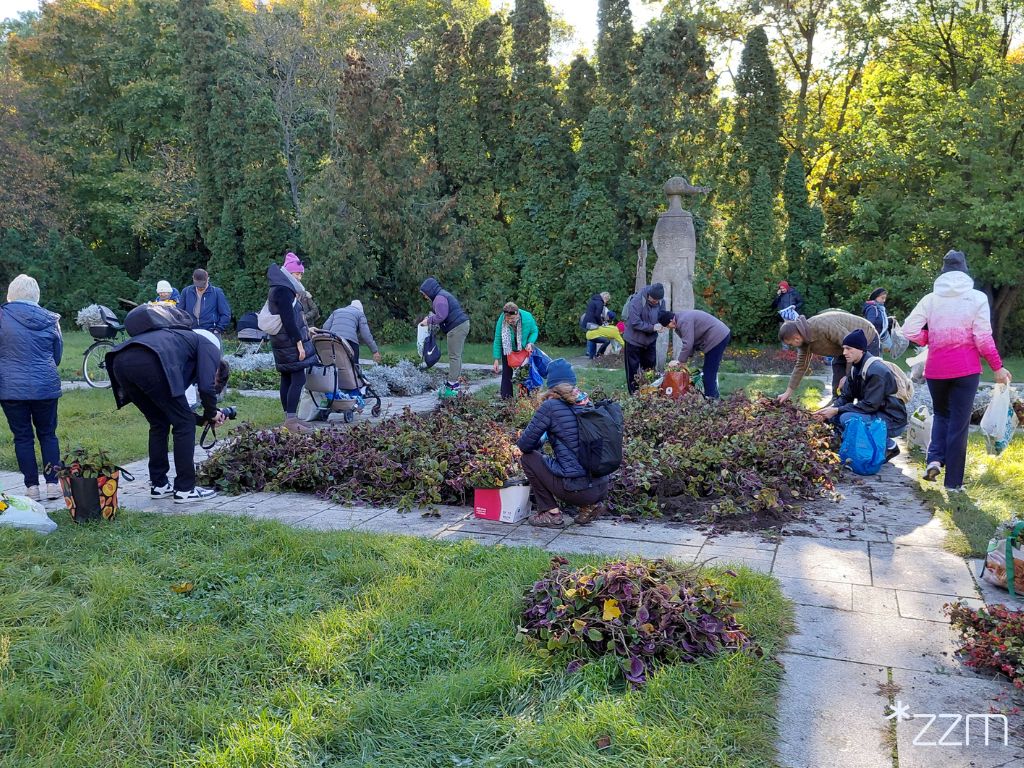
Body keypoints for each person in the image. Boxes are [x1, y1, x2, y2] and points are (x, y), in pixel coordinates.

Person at [902, 250, 1012, 492]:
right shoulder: (977, 298)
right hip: (966, 369)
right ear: (964, 270)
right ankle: (953, 484)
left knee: (942, 415)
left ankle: (933, 459)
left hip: (936, 369)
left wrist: (930, 338)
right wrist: (997, 367)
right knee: (959, 423)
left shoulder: (930, 300)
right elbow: (982, 338)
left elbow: (908, 330)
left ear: (943, 272)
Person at [106, 305, 225, 503]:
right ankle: (185, 489)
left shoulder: (179, 342)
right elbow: (206, 386)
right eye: (217, 377)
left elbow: (171, 409)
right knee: (183, 425)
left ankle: (159, 485)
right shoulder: (209, 346)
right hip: (149, 361)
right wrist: (212, 412)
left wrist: (202, 419)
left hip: (120, 360)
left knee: (159, 421)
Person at [516, 359, 610, 528]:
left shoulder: (550, 407)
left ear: (551, 384)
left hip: (576, 489)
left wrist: (541, 440)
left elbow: (524, 445)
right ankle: (589, 505)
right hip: (601, 487)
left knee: (528, 458)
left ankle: (550, 513)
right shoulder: (587, 402)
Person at [0, 275, 63, 500]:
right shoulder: (51, 319)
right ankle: (53, 484)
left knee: (22, 437)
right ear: (36, 295)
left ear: (11, 294)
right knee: (48, 434)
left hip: (10, 389)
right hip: (46, 386)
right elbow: (57, 356)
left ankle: (31, 488)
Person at [814, 329, 907, 463]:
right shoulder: (855, 368)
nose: (844, 352)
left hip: (892, 419)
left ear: (861, 349)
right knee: (834, 417)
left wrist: (837, 410)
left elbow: (869, 406)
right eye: (844, 348)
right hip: (875, 412)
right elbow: (846, 397)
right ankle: (846, 444)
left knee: (847, 418)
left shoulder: (876, 371)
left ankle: (889, 446)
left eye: (849, 348)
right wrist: (829, 409)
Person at [777, 311, 880, 403]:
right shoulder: (803, 342)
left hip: (866, 338)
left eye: (791, 344)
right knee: (839, 376)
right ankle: (836, 405)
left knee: (863, 379)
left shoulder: (823, 325)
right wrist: (788, 392)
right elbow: (801, 366)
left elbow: (851, 346)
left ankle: (867, 412)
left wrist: (848, 376)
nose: (792, 347)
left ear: (796, 338)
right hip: (842, 347)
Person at [268, 256, 316, 432]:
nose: (299, 278)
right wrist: (299, 343)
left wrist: (307, 330)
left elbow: (293, 318)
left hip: (282, 341)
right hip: (288, 342)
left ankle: (290, 418)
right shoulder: (283, 290)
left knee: (287, 377)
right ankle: (291, 419)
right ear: (289, 272)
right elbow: (288, 321)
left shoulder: (281, 287)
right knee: (298, 378)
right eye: (297, 274)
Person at [659, 309, 732, 399]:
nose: (669, 328)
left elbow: (688, 343)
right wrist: (686, 359)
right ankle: (712, 396)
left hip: (717, 337)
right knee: (709, 370)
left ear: (671, 320)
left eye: (667, 325)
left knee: (709, 371)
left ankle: (711, 398)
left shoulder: (683, 321)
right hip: (718, 336)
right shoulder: (680, 320)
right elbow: (691, 342)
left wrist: (680, 362)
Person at [419, 277, 470, 389]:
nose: (425, 296)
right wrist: (431, 317)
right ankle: (455, 382)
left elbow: (441, 316)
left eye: (425, 293)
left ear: (430, 290)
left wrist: (427, 321)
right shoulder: (442, 295)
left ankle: (452, 384)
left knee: (454, 356)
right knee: (456, 355)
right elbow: (441, 313)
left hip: (456, 327)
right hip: (461, 325)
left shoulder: (439, 298)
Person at [623, 283, 666, 394]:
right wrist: (653, 327)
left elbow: (662, 315)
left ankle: (648, 392)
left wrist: (663, 324)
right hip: (633, 340)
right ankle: (634, 394)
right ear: (648, 295)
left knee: (649, 368)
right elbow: (635, 323)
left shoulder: (661, 301)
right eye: (653, 299)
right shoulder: (637, 301)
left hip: (650, 341)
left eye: (657, 300)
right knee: (633, 370)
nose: (655, 302)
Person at [492, 301, 539, 399]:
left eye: (512, 318)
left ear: (517, 314)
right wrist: (496, 359)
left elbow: (534, 331)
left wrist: (530, 342)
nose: (509, 321)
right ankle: (507, 399)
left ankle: (525, 397)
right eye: (507, 319)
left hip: (524, 348)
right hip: (507, 349)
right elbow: (498, 338)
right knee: (506, 373)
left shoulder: (527, 317)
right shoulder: (502, 320)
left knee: (524, 374)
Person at [322, 299, 382, 365]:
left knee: (333, 362)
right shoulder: (360, 314)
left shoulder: (337, 311)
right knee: (354, 365)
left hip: (333, 339)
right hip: (350, 341)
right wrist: (375, 351)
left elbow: (325, 328)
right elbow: (366, 334)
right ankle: (356, 373)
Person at [180, 268, 231, 334]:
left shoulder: (217, 292)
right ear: (193, 279)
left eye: (202, 285)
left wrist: (218, 329)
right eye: (197, 285)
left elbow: (226, 314)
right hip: (191, 331)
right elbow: (180, 312)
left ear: (208, 279)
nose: (200, 288)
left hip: (211, 331)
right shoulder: (186, 291)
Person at [283, 253, 321, 327]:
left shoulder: (305, 293)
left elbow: (315, 309)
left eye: (301, 274)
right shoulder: (283, 292)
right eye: (297, 274)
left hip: (308, 326)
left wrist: (305, 317)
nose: (300, 278)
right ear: (288, 274)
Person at [582, 292, 624, 358]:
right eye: (607, 300)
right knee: (593, 337)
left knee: (592, 336)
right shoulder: (600, 303)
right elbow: (597, 315)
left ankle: (591, 355)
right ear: (605, 298)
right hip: (592, 322)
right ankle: (594, 355)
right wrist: (600, 324)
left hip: (586, 321)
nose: (606, 302)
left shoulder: (593, 300)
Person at [863, 288, 896, 356]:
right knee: (875, 359)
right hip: (873, 340)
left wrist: (888, 319)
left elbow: (879, 320)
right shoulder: (872, 308)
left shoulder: (879, 308)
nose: (884, 300)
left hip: (878, 339)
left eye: (885, 298)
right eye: (882, 298)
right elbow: (870, 324)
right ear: (875, 297)